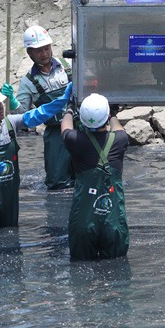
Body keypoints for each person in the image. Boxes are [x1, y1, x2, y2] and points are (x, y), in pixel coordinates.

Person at [0, 81, 73, 233]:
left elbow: (38, 115)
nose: (1, 107)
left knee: (12, 238)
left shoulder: (10, 124)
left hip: (9, 202)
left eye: (1, 103)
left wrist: (62, 101)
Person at [1, 25, 74, 190]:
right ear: (29, 53)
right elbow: (23, 117)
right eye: (39, 50)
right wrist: (11, 101)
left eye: (47, 48)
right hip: (56, 134)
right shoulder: (27, 82)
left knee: (88, 173)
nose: (45, 53)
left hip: (81, 127)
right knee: (56, 182)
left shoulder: (69, 64)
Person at [60, 93, 129, 260]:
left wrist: (69, 109)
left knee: (80, 273)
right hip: (114, 223)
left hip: (83, 223)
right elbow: (117, 127)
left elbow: (65, 128)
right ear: (106, 118)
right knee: (117, 272)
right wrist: (112, 114)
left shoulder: (74, 140)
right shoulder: (120, 140)